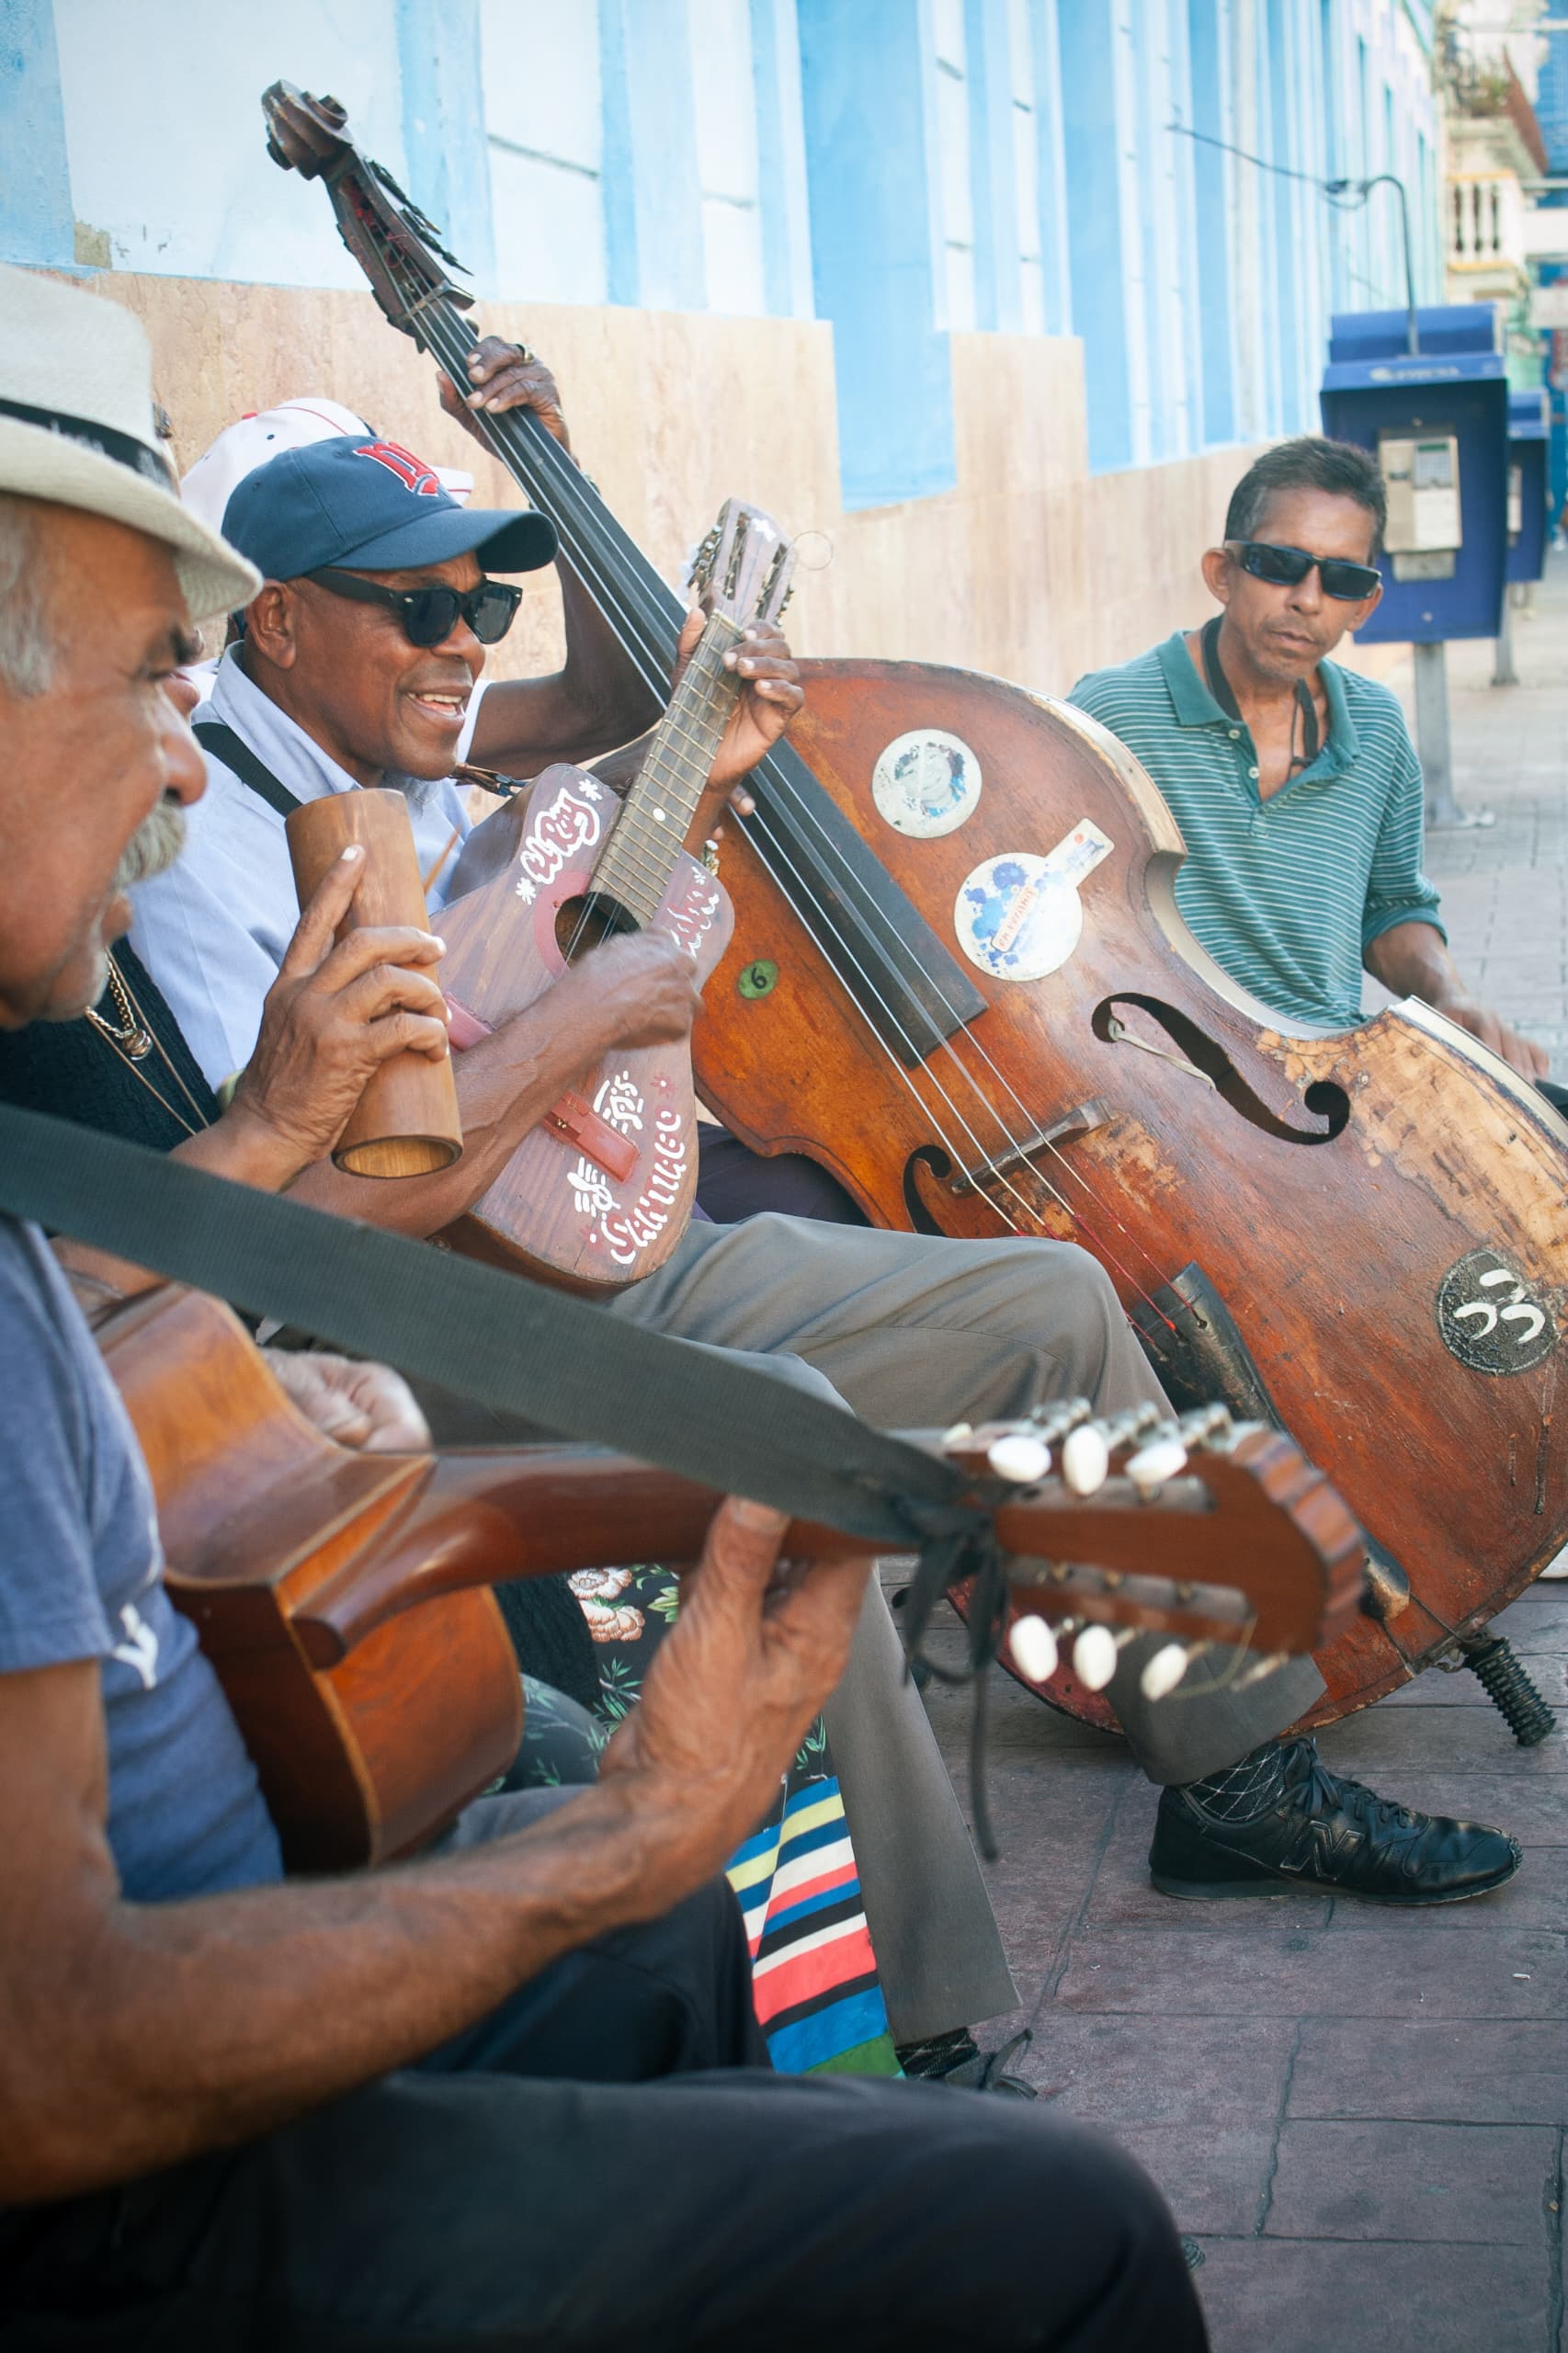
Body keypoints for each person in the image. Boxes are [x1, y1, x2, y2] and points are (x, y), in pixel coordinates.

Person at [0, 261, 1207, 2352]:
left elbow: (124, 1283)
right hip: (142, 2171)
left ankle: (1209, 1734)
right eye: (145, 682)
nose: (181, 767)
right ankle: (904, 2047)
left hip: (433, 1315)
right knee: (1066, 2221)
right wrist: (635, 1827)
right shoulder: (243, 869)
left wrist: (672, 766)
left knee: (1029, 1300)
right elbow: (46, 2049)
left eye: (480, 597)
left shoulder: (351, 796)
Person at [116, 294, 1519, 1917]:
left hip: (584, 1229)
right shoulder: (214, 842)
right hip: (424, 1313)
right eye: (420, 606)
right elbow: (317, 1217)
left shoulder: (392, 741)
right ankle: (927, 2010)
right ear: (279, 623)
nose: (465, 642)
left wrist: (670, 722)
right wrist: (587, 1020)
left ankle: (1235, 1778)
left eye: (480, 602)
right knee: (781, 1436)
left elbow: (563, 782)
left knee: (1055, 1302)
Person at [1068, 435, 1549, 1086]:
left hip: (1324, 1091)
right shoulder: (1110, 714)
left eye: (1342, 578)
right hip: (1156, 1076)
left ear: (1364, 605)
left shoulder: (1377, 728)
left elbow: (1391, 908)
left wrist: (1449, 995)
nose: (1308, 599)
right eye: (1280, 564)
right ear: (1223, 573)